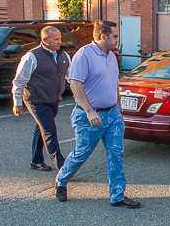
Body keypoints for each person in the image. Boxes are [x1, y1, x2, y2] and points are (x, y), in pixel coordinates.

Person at [54, 20, 140, 208]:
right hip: (90, 117)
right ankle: (61, 180)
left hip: (112, 115)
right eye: (115, 36)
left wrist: (118, 108)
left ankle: (117, 195)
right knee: (82, 154)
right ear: (104, 37)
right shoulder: (84, 55)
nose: (117, 39)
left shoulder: (111, 56)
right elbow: (75, 84)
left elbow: (114, 84)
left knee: (116, 154)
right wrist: (90, 111)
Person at [12, 26, 69, 172]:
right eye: (56, 39)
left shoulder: (63, 56)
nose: (59, 42)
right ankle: (63, 168)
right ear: (45, 40)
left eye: (60, 39)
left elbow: (71, 77)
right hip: (36, 100)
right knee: (49, 131)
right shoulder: (32, 57)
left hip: (53, 99)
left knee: (41, 128)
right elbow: (19, 81)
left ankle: (36, 161)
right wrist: (17, 103)